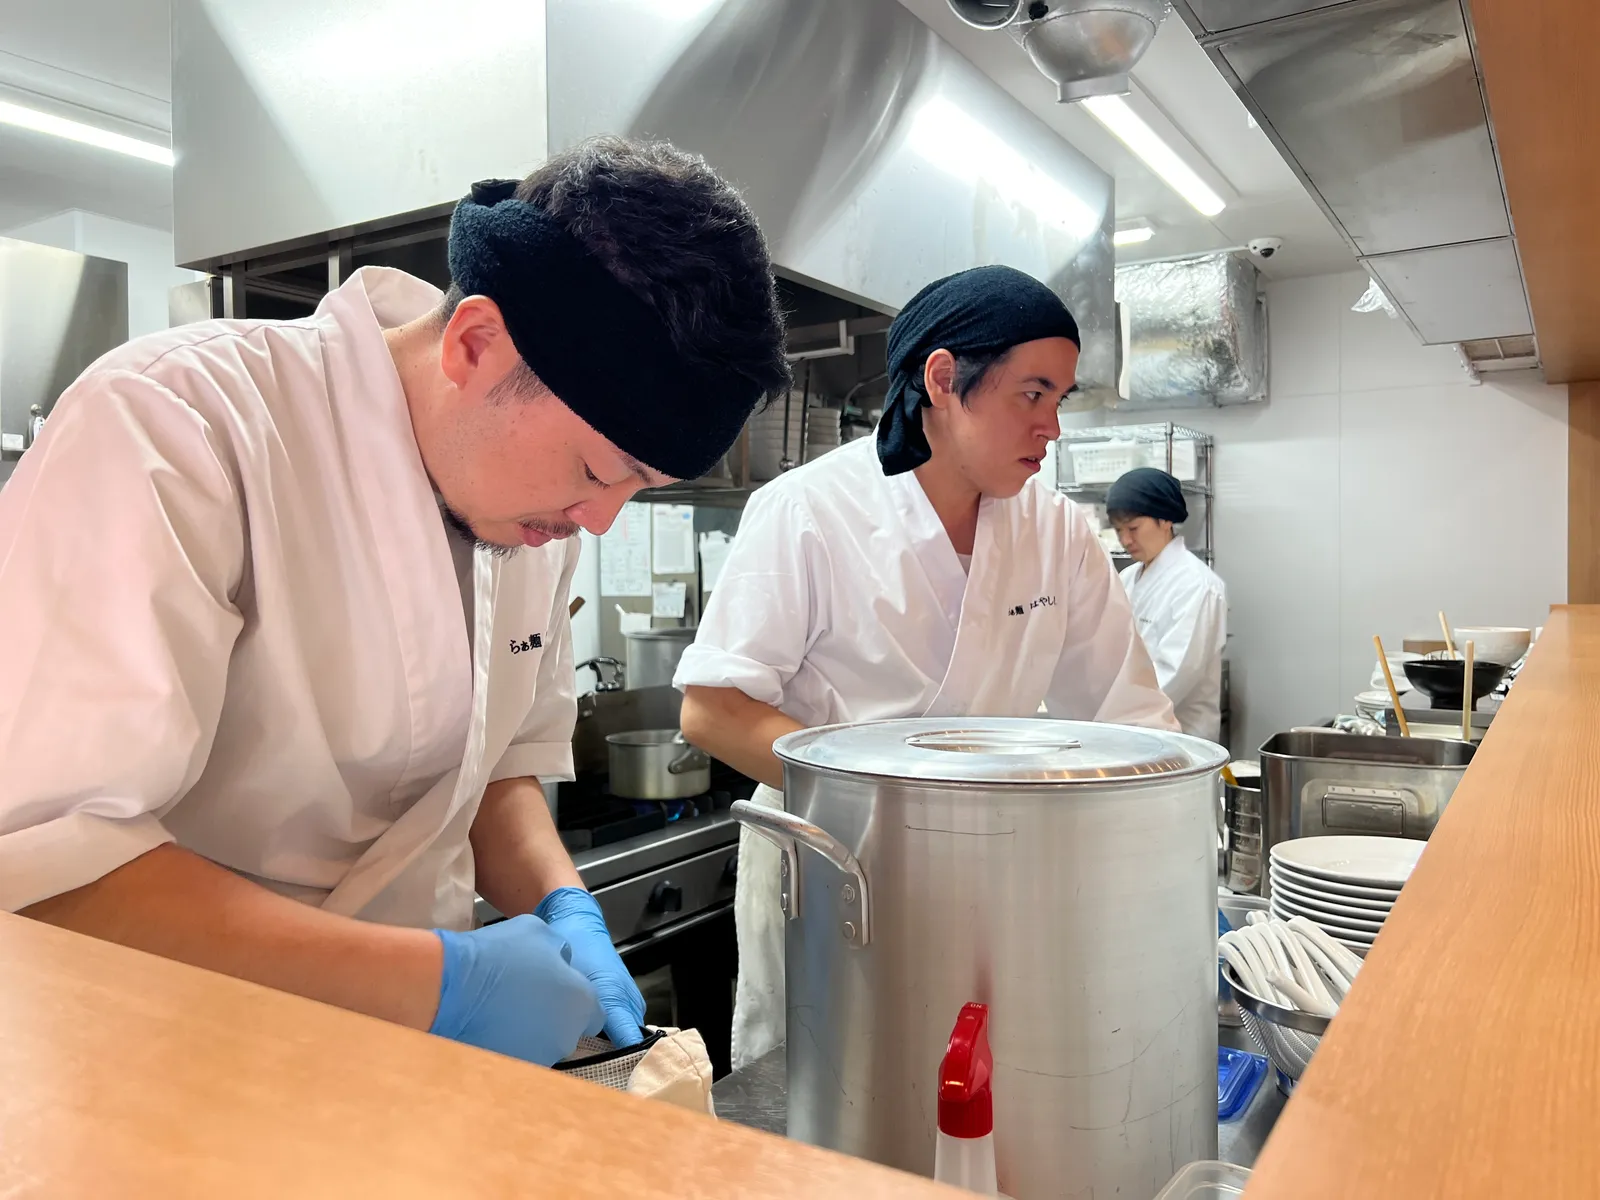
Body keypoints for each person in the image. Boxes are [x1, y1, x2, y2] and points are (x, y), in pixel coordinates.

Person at [0, 137, 789, 1067]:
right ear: (475, 343)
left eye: (640, 488)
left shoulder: (533, 516)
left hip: (407, 1074)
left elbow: (495, 773)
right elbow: (51, 864)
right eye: (597, 471)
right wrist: (443, 984)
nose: (601, 522)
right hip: (168, 1059)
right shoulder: (177, 424)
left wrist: (557, 902)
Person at [672, 265, 1177, 1069]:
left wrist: (1166, 864)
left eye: (1061, 401)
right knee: (826, 1097)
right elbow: (714, 709)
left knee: (977, 1095)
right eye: (1031, 394)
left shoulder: (1058, 533)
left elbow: (1130, 720)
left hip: (996, 873)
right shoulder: (810, 509)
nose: (1051, 429)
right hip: (833, 871)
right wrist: (895, 815)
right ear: (943, 380)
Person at [1106, 467, 1227, 741]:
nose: (1125, 540)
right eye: (1119, 530)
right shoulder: (1128, 578)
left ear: (1165, 520)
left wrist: (1110, 714)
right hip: (1129, 729)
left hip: (1179, 739)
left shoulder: (1197, 585)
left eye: (1133, 528)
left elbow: (1172, 677)